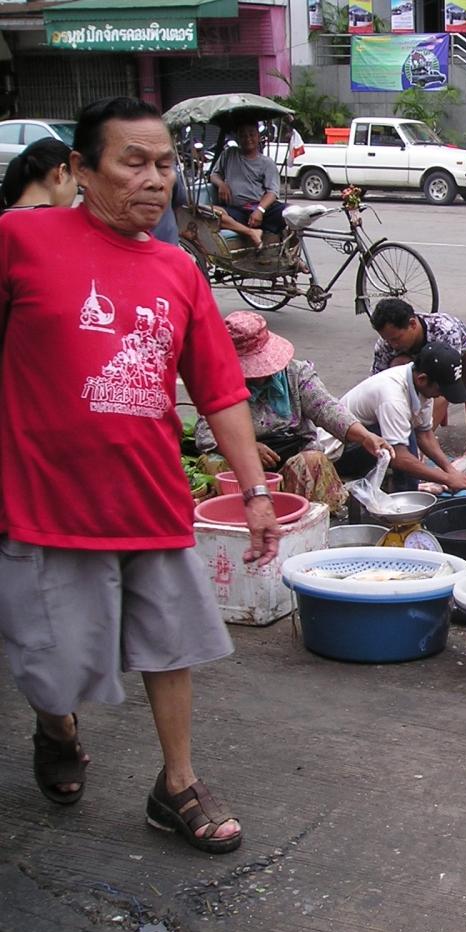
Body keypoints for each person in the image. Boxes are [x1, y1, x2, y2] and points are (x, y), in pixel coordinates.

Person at [0, 96, 282, 853]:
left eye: (164, 164)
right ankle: (57, 726)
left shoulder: (177, 269)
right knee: (51, 662)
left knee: (171, 646)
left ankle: (177, 784)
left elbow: (221, 390)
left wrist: (255, 492)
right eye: (134, 162)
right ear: (81, 170)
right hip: (47, 499)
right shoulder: (20, 239)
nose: (155, 180)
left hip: (150, 497)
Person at [195, 311, 392, 512]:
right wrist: (248, 447)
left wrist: (365, 436)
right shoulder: (219, 381)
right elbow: (206, 434)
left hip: (293, 455)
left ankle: (310, 518)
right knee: (213, 463)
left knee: (313, 461)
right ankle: (236, 517)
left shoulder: (296, 373)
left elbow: (326, 407)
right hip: (242, 461)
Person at [321, 344, 466, 494]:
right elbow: (399, 458)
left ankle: (406, 487)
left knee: (407, 431)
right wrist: (447, 479)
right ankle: (403, 494)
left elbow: (425, 434)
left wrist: (451, 471)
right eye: (440, 390)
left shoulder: (418, 382)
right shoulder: (392, 396)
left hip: (365, 442)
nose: (441, 395)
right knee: (404, 436)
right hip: (337, 456)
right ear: (422, 379)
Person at [369, 298, 466, 453]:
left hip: (456, 373)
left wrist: (425, 436)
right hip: (417, 379)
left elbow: (447, 378)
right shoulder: (385, 344)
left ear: (413, 324)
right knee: (399, 363)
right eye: (388, 340)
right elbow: (377, 382)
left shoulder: (445, 329)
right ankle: (410, 432)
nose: (393, 345)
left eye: (396, 338)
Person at [209, 121, 285, 240]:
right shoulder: (229, 154)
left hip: (261, 209)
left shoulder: (267, 162)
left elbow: (272, 192)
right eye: (243, 135)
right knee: (206, 212)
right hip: (235, 211)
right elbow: (214, 174)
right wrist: (221, 184)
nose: (248, 138)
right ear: (238, 137)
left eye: (251, 134)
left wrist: (260, 210)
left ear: (258, 136)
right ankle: (250, 232)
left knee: (291, 213)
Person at [0, 136, 77, 212]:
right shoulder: (57, 219)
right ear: (61, 172)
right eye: (77, 185)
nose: (76, 191)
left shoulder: (4, 216)